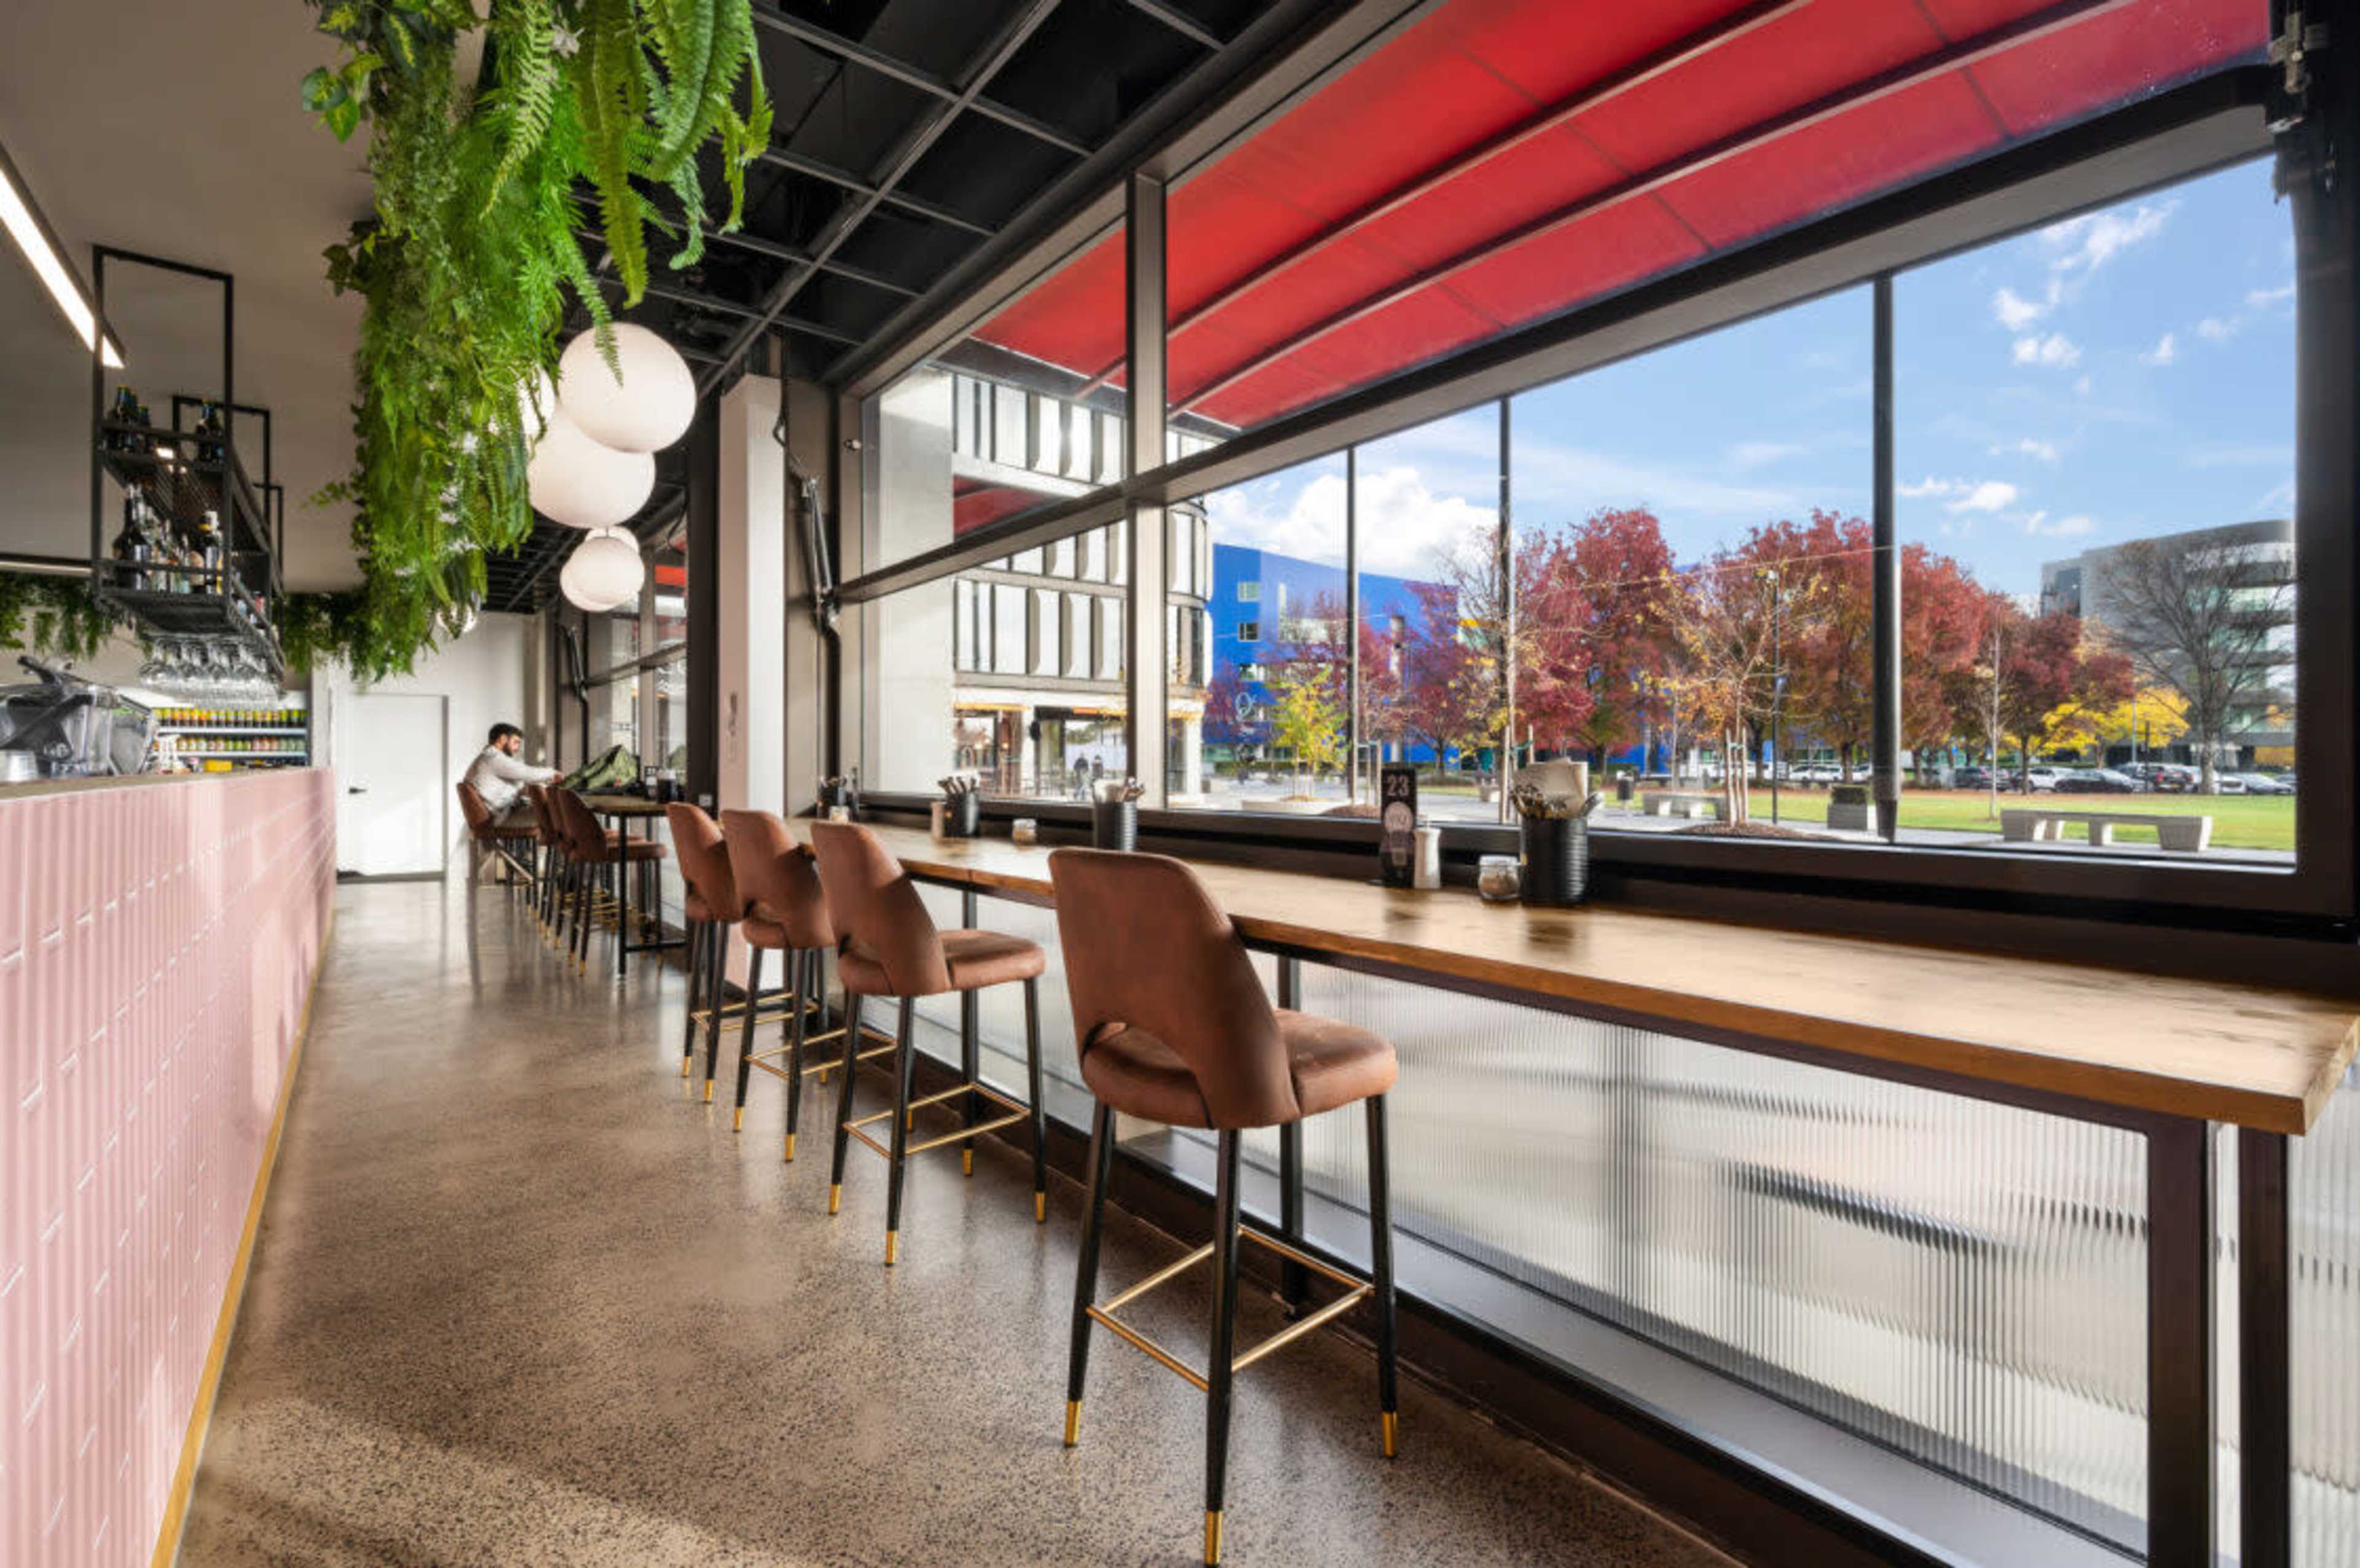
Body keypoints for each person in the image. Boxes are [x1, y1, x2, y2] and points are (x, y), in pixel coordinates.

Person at [465, 723, 557, 827]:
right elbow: (527, 773)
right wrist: (554, 773)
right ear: (503, 739)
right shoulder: (493, 758)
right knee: (555, 814)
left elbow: (516, 783)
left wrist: (522, 791)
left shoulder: (486, 757)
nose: (517, 748)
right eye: (516, 742)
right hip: (502, 818)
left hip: (497, 815)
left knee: (548, 811)